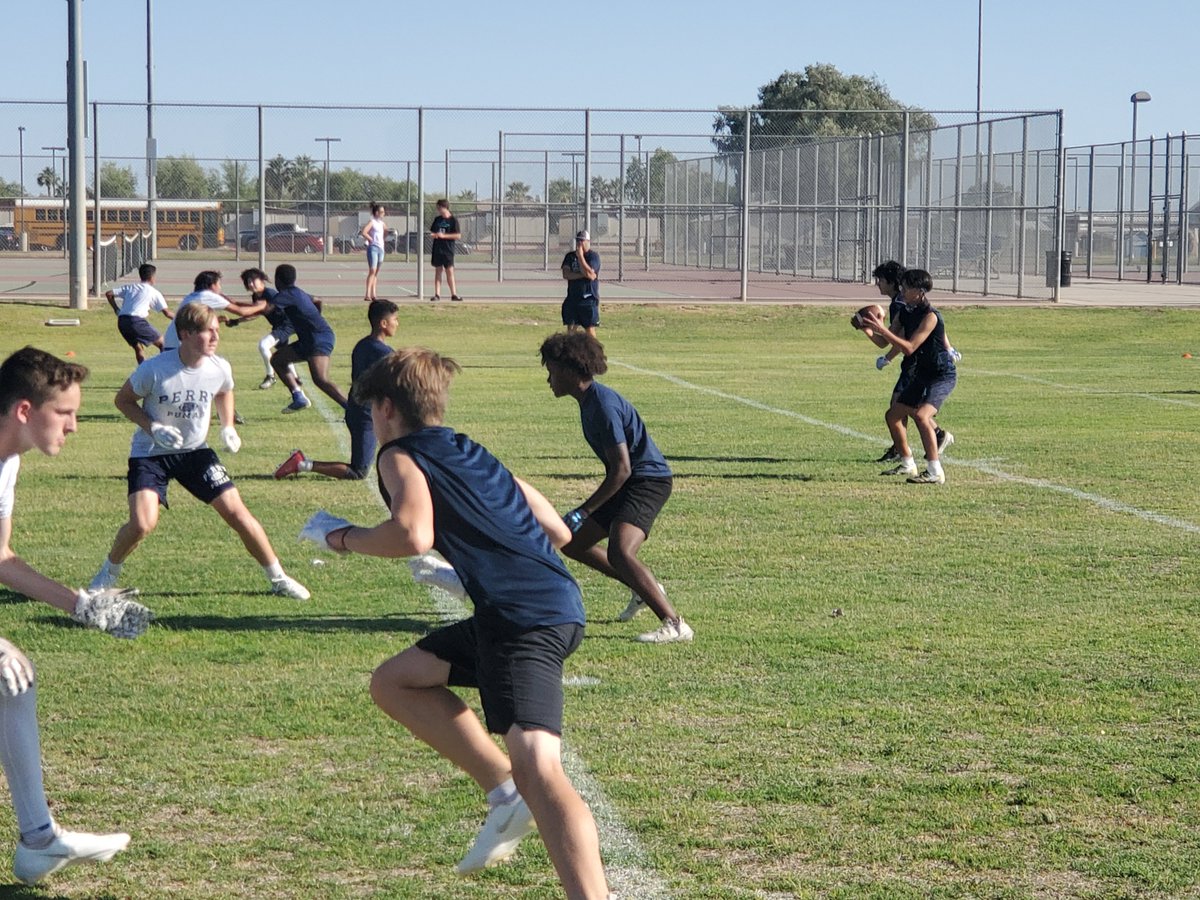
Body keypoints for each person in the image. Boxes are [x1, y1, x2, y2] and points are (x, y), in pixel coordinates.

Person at [298, 347, 610, 898]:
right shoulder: (471, 449)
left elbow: (411, 534)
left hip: (521, 620)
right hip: (543, 607)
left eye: (371, 411)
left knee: (540, 767)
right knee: (395, 681)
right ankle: (502, 791)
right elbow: (557, 531)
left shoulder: (398, 456)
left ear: (387, 408)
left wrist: (340, 536)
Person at [0, 346, 154, 885]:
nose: (75, 426)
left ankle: (40, 840)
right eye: (65, 413)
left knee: (13, 685)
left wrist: (83, 605)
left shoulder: (8, 460)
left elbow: (0, 557)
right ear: (25, 411)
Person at [87, 303, 310, 600]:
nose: (216, 337)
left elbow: (224, 391)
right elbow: (123, 401)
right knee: (142, 523)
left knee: (238, 513)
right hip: (150, 454)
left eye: (217, 330)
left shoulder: (219, 367)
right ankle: (107, 574)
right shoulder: (154, 369)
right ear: (186, 334)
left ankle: (279, 578)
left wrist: (228, 425)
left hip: (195, 453)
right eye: (209, 331)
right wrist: (153, 428)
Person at [539, 331, 692, 644]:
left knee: (621, 551)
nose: (549, 380)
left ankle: (675, 624)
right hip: (629, 482)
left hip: (647, 482)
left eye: (551, 372)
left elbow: (622, 469)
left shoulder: (602, 406)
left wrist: (584, 510)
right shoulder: (589, 402)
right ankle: (641, 587)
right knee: (572, 543)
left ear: (569, 372)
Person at [274, 299, 399, 480]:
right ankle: (302, 463)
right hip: (366, 416)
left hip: (358, 410)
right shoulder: (383, 352)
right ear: (384, 323)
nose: (397, 323)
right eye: (395, 319)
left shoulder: (362, 345)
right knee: (359, 471)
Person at [860, 268, 958, 485]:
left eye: (907, 286)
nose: (902, 289)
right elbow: (886, 341)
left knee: (922, 416)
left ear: (920, 291)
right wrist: (867, 328)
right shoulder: (905, 311)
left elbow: (910, 348)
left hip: (941, 375)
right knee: (892, 416)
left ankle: (935, 471)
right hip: (922, 374)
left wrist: (881, 328)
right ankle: (907, 463)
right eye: (902, 285)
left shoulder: (931, 316)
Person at [245, 264, 348, 414]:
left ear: (277, 280)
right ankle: (298, 397)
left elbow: (265, 309)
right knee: (277, 360)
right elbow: (318, 300)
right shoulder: (298, 292)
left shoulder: (285, 295)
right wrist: (314, 317)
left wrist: (233, 306)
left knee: (320, 379)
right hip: (309, 339)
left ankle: (353, 410)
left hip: (318, 338)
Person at [219, 268, 301, 391]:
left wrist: (232, 303)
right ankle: (295, 379)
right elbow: (255, 313)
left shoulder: (269, 294)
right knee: (284, 353)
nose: (250, 284)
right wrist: (236, 321)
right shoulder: (256, 296)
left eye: (253, 280)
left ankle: (270, 376)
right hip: (279, 326)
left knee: (263, 345)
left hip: (287, 325)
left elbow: (257, 308)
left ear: (262, 280)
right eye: (248, 281)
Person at [161, 270, 259, 351]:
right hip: (181, 344)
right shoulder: (207, 295)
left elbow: (193, 319)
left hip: (172, 342)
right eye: (219, 284)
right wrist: (263, 306)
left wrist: (214, 319)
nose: (220, 288)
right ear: (212, 285)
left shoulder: (192, 296)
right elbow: (241, 311)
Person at [105, 262, 173, 365]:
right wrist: (183, 319)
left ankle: (142, 372)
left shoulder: (130, 287)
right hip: (136, 322)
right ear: (152, 277)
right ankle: (163, 370)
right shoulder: (153, 292)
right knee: (163, 344)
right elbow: (167, 313)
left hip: (122, 322)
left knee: (138, 348)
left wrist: (116, 309)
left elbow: (109, 294)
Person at [561, 230, 600, 339]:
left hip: (588, 299)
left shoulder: (593, 257)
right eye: (578, 241)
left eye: (582, 241)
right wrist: (583, 275)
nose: (579, 243)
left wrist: (581, 257)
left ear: (588, 241)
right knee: (571, 328)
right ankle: (570, 352)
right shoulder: (570, 256)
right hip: (573, 298)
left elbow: (591, 275)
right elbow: (566, 274)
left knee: (589, 328)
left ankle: (594, 352)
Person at [429, 199, 462, 302]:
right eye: (437, 208)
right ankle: (437, 294)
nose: (438, 210)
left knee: (449, 272)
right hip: (438, 249)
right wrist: (435, 235)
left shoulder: (453, 220)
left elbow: (458, 235)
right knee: (438, 271)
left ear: (445, 207)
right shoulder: (437, 220)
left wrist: (444, 236)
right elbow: (432, 233)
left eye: (440, 207)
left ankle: (454, 294)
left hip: (448, 250)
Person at [359, 203, 387, 302]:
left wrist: (383, 239)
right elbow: (364, 232)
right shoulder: (372, 222)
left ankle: (374, 294)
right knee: (372, 271)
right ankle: (367, 294)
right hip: (373, 248)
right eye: (382, 212)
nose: (384, 213)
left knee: (376, 273)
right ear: (376, 213)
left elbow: (386, 231)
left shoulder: (382, 224)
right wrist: (371, 239)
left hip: (381, 249)